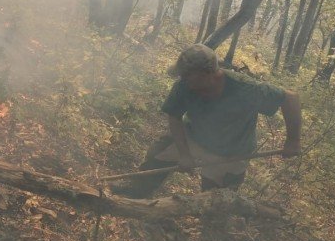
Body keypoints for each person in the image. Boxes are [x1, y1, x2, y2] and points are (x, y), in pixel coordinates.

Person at [119, 44, 302, 199]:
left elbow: (290, 98)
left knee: (214, 202)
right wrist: (184, 154)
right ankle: (135, 194)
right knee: (160, 151)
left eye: (188, 75)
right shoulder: (184, 86)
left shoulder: (245, 88)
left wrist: (292, 141)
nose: (183, 80)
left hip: (231, 152)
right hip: (195, 137)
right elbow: (174, 116)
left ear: (208, 73)